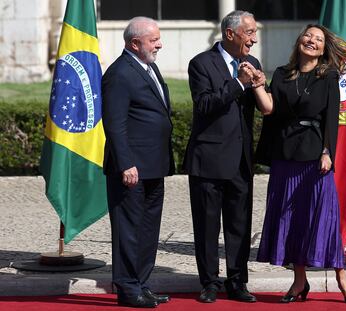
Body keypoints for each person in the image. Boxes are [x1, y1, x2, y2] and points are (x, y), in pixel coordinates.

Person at [245, 24, 346, 304]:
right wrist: (258, 85)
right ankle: (299, 281)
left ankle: (341, 277)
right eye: (308, 36)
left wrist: (327, 152)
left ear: (323, 49)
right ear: (300, 41)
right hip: (285, 155)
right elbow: (269, 108)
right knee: (291, 219)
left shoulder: (329, 76)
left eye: (318, 39)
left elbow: (331, 119)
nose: (311, 41)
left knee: (324, 219)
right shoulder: (282, 74)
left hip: (315, 156)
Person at [183, 10, 265, 303]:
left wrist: (257, 86)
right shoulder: (201, 63)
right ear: (230, 34)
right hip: (208, 159)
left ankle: (238, 281)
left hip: (241, 161)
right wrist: (239, 84)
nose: (254, 39)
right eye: (250, 32)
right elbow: (204, 105)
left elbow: (264, 108)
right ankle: (209, 282)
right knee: (206, 226)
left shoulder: (252, 63)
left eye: (255, 32)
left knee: (239, 225)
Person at [102, 17, 175, 308]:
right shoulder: (120, 73)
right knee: (128, 231)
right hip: (131, 169)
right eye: (153, 39)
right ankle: (128, 288)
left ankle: (142, 284)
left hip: (154, 166)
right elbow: (115, 124)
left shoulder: (148, 67)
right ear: (135, 43)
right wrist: (126, 163)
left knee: (147, 231)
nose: (159, 44)